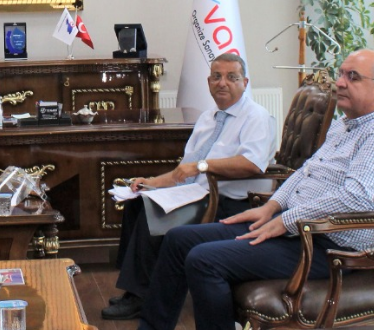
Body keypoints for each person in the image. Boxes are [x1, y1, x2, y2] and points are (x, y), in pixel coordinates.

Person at [138, 49, 374, 330]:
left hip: (331, 246)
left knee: (203, 261)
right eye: (341, 74)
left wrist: (285, 220)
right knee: (178, 240)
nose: (340, 82)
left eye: (352, 77)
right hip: (298, 229)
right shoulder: (346, 124)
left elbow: (356, 197)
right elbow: (306, 170)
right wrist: (272, 206)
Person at [101, 53, 277, 320]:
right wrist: (151, 183)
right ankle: (136, 288)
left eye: (232, 77)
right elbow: (185, 169)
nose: (222, 83)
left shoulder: (257, 117)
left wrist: (203, 166)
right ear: (208, 82)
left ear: (245, 83)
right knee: (138, 202)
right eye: (216, 77)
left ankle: (142, 297)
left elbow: (252, 163)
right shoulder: (208, 118)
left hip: (231, 201)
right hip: (196, 193)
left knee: (153, 214)